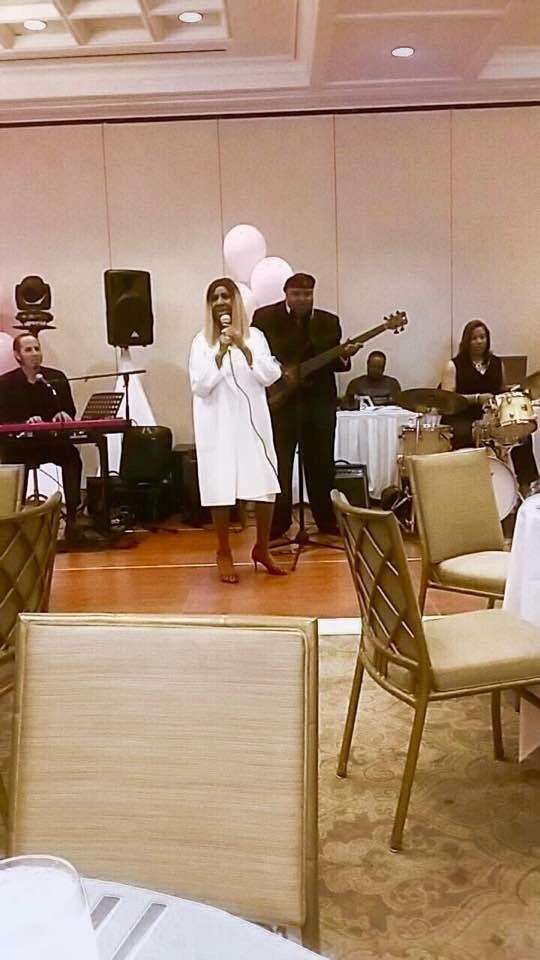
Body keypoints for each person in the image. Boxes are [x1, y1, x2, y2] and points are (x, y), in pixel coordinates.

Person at [189, 277, 286, 583]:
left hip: (252, 423)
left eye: (225, 296)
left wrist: (243, 347)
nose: (220, 302)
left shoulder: (255, 337)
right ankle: (223, 551)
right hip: (217, 424)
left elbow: (270, 375)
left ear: (236, 301)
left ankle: (262, 548)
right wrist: (219, 354)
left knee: (265, 483)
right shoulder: (201, 342)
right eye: (214, 297)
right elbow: (199, 386)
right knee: (221, 484)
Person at [251, 272, 360, 541]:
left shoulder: (329, 322)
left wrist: (344, 357)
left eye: (307, 294)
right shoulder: (265, 319)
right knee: (279, 464)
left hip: (319, 403)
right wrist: (281, 373)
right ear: (286, 294)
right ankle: (277, 524)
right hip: (280, 404)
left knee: (321, 464)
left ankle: (326, 520)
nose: (302, 299)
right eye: (296, 294)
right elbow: (256, 356)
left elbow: (334, 363)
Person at [0, 333, 83, 539]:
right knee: (12, 463)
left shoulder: (55, 379)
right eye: (28, 350)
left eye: (37, 348)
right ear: (17, 355)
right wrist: (25, 422)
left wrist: (63, 414)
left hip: (50, 442)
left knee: (72, 456)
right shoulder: (5, 383)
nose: (35, 353)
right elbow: (3, 419)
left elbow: (69, 410)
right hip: (19, 445)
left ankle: (73, 518)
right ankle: (13, 521)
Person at [441, 318, 538, 493]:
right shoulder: (453, 365)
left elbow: (501, 390)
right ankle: (468, 488)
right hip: (462, 416)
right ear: (466, 342)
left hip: (492, 416)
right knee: (464, 434)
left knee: (522, 434)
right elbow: (447, 399)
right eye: (474, 338)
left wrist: (517, 393)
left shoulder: (497, 363)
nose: (479, 341)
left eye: (482, 337)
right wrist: (477, 398)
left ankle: (525, 486)